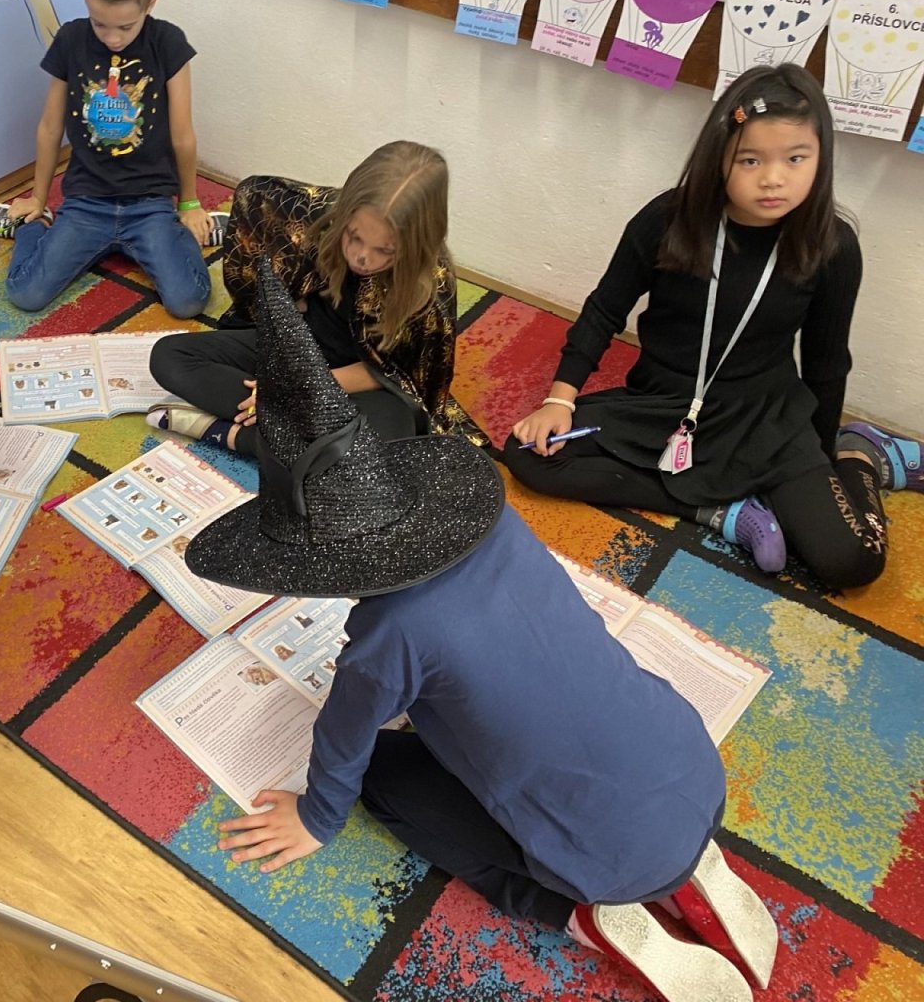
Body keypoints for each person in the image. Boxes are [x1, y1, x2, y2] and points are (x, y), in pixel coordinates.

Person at [189, 263, 777, 1002]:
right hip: (692, 768)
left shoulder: (385, 639)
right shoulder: (495, 524)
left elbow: (342, 742)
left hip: (598, 857)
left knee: (384, 780)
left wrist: (315, 817)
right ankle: (689, 862)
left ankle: (578, 915)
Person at [504, 65, 915, 590]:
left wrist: (822, 456)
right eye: (751, 160)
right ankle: (723, 511)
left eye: (796, 159)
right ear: (719, 158)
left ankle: (863, 454)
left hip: (766, 419)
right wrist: (558, 400)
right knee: (528, 453)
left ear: (822, 158)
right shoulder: (666, 220)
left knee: (852, 562)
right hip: (662, 408)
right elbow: (604, 310)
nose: (773, 178)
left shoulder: (832, 246)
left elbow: (827, 362)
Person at [147, 143, 482, 458]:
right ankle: (290, 441)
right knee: (170, 356)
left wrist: (297, 390)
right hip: (295, 352)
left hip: (354, 385)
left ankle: (236, 436)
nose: (362, 257)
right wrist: (285, 302)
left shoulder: (431, 286)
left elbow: (399, 375)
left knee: (390, 434)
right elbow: (256, 195)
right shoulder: (322, 213)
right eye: (354, 237)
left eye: (385, 251)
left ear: (418, 245)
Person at [0, 0, 224, 319]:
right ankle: (29, 227)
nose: (113, 38)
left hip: (150, 203)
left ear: (150, 4)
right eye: (100, 24)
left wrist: (188, 204)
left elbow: (182, 134)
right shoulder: (71, 40)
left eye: (126, 27)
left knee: (188, 301)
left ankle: (193, 227)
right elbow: (50, 127)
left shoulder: (168, 43)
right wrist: (37, 199)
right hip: (87, 201)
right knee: (25, 293)